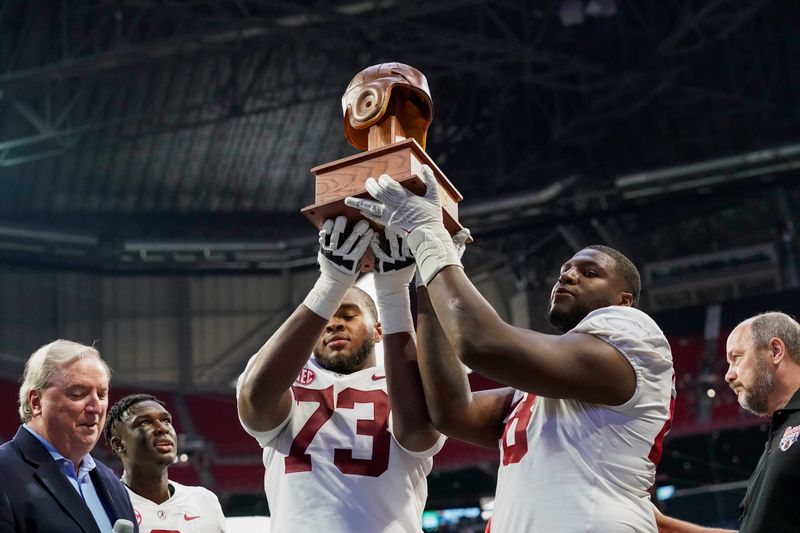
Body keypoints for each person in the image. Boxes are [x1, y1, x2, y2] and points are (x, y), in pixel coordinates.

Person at [346, 167, 675, 532]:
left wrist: (429, 240)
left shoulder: (632, 330)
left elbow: (479, 343)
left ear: (623, 300)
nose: (567, 275)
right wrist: (426, 279)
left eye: (589, 272)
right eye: (565, 269)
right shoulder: (540, 389)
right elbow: (451, 412)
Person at [236, 216, 444, 532]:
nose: (333, 324)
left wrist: (392, 292)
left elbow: (419, 436)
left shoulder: (402, 383)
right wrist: (331, 281)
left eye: (348, 316)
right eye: (326, 319)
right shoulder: (288, 380)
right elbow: (255, 399)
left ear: (378, 331)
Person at [653, 311, 800, 533]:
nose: (728, 375)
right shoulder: (779, 432)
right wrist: (665, 526)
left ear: (776, 351)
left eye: (736, 357)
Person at [0, 339, 139, 533]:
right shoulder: (5, 473)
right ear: (36, 402)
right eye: (78, 394)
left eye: (101, 394)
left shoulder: (112, 483)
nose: (96, 407)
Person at [105, 393, 226, 532]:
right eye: (145, 422)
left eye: (166, 420)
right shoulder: (105, 505)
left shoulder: (205, 502)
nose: (163, 428)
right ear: (118, 444)